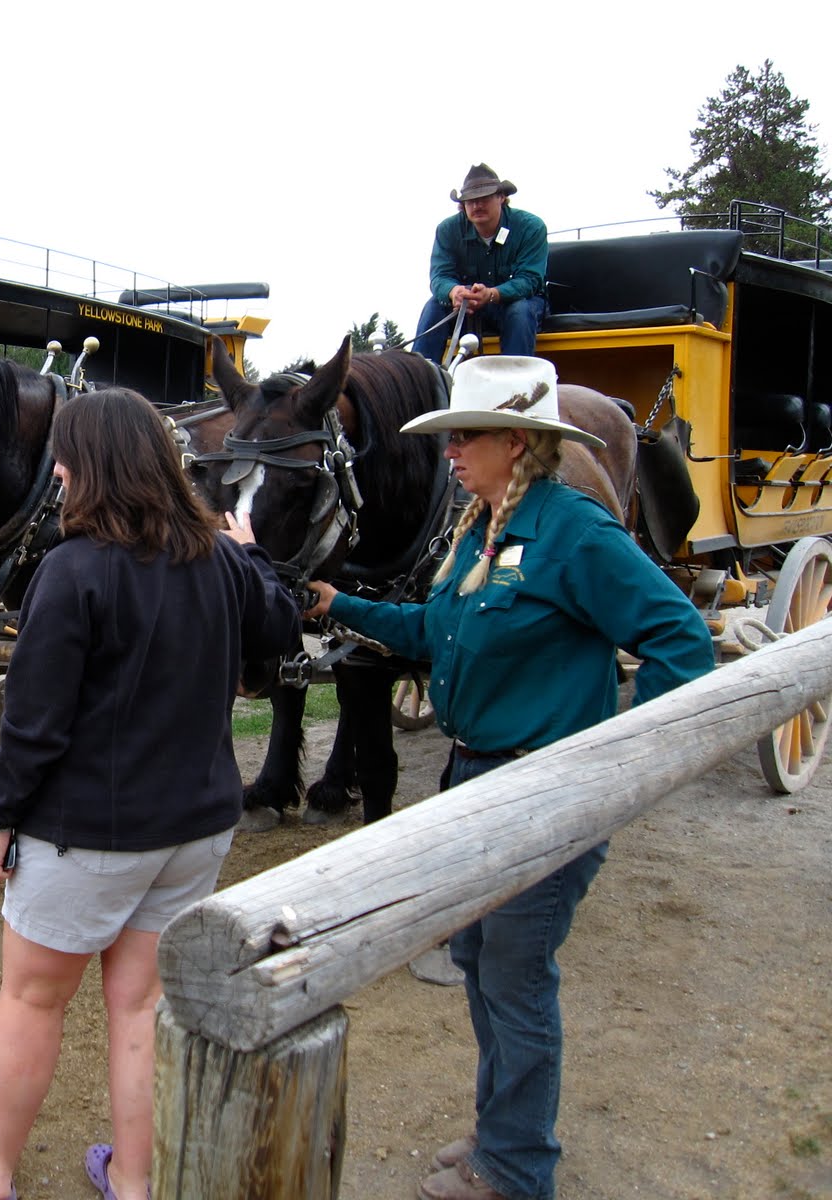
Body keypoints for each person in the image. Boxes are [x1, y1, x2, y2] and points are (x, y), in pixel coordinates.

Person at [305, 356, 713, 1200]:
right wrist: (338, 604)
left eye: (466, 437)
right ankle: (502, 1130)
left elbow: (681, 639)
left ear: (517, 443)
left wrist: (619, 765)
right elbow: (434, 628)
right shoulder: (484, 525)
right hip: (474, 783)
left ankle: (517, 1168)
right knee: (481, 959)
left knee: (515, 978)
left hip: (543, 795)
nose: (449, 452)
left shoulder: (575, 531)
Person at [0, 389, 302, 1200]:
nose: (57, 471)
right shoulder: (219, 560)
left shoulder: (72, 570)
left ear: (96, 465)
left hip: (89, 835)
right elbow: (281, 628)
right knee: (140, 1006)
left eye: (65, 457)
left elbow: (33, 725)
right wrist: (251, 554)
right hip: (194, 831)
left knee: (33, 999)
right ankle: (134, 1182)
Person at [413, 164, 549, 362]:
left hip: (516, 304)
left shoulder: (531, 227)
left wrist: (492, 294)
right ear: (463, 205)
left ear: (501, 197)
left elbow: (530, 280)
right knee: (434, 306)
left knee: (520, 310)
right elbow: (440, 276)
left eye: (485, 198)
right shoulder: (447, 230)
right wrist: (454, 292)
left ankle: (516, 377)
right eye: (471, 201)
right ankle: (419, 374)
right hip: (466, 308)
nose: (477, 205)